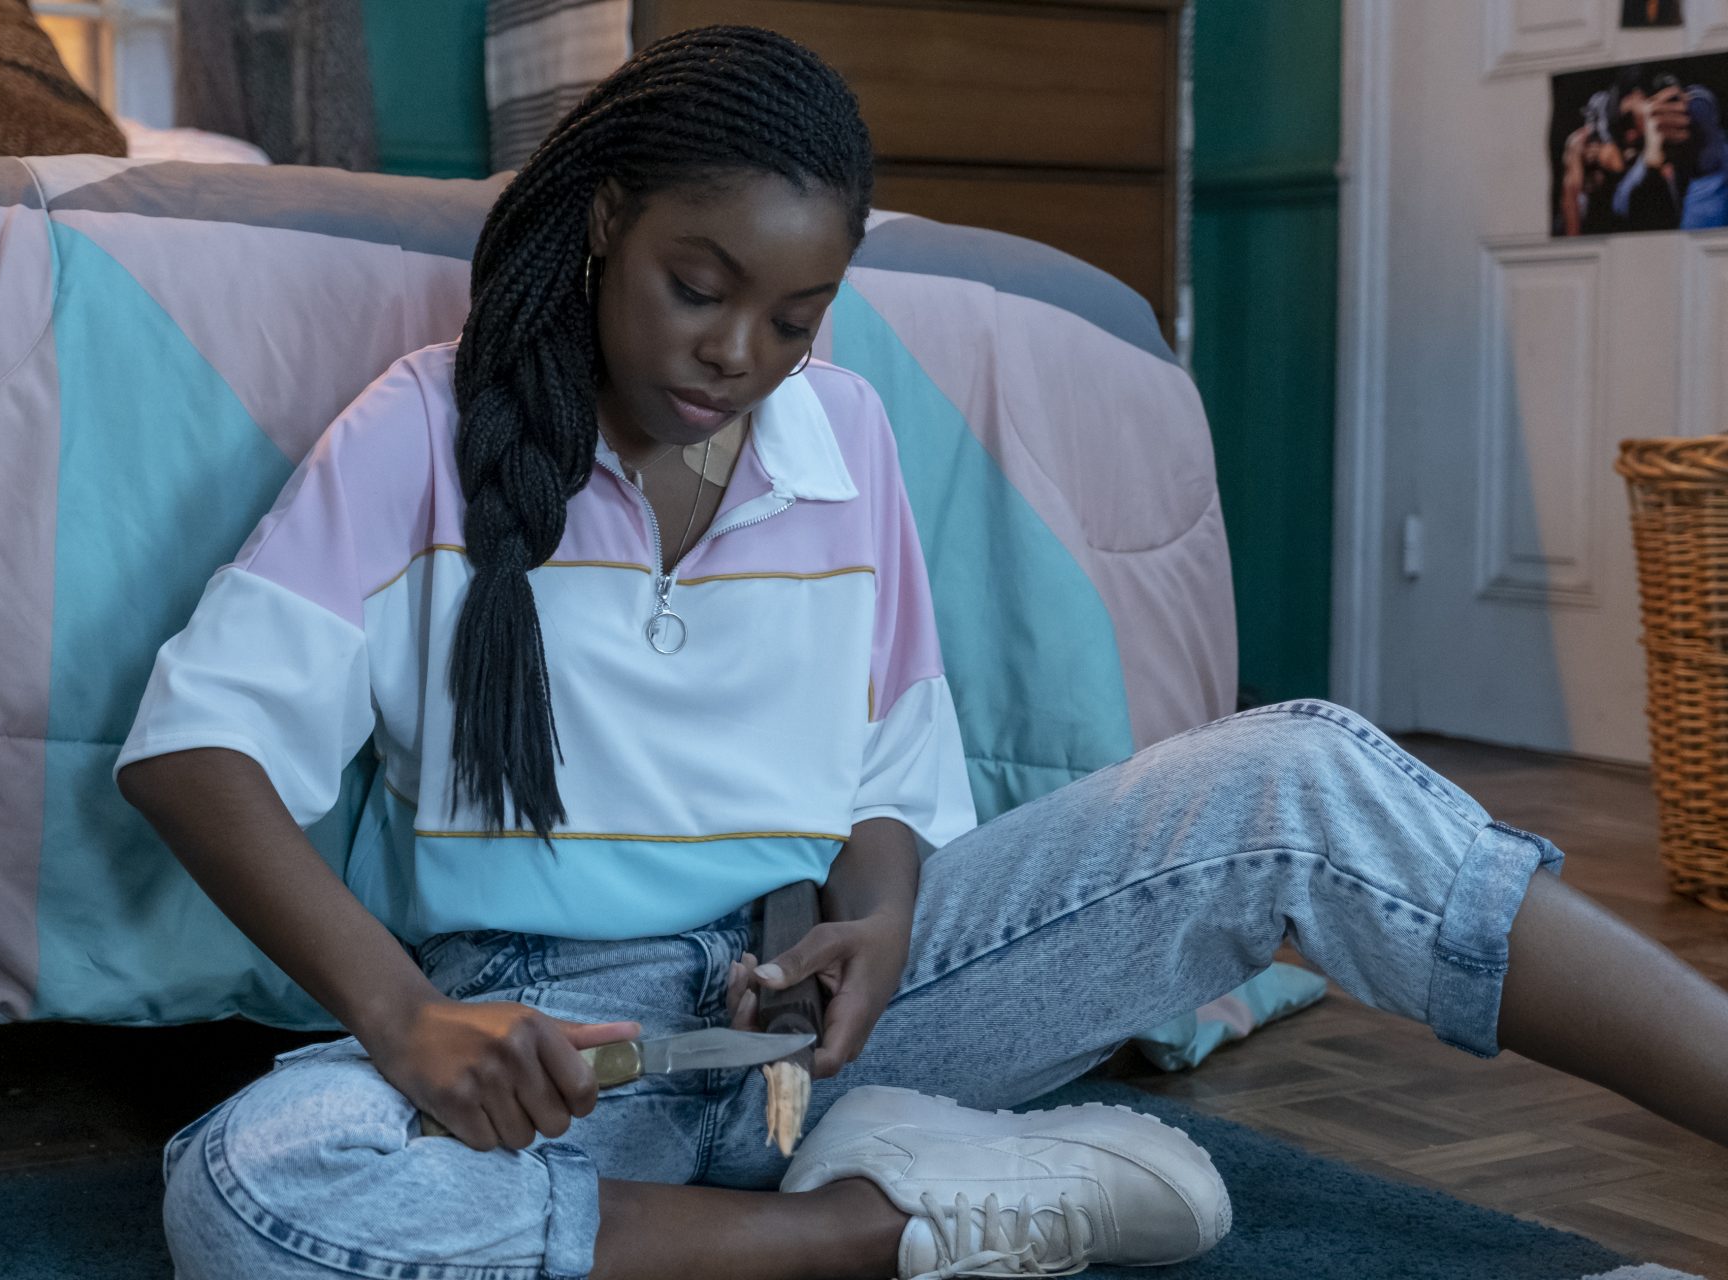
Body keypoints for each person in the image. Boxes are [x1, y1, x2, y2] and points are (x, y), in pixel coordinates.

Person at [117, 26, 1728, 1280]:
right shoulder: (421, 431)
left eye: (796, 317)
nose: (738, 358)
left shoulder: (851, 441)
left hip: (836, 1020)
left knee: (1297, 776)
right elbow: (198, 744)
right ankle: (890, 1227)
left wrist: (878, 924)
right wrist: (402, 1019)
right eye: (699, 287)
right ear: (608, 220)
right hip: (556, 1060)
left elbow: (888, 777)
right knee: (257, 1187)